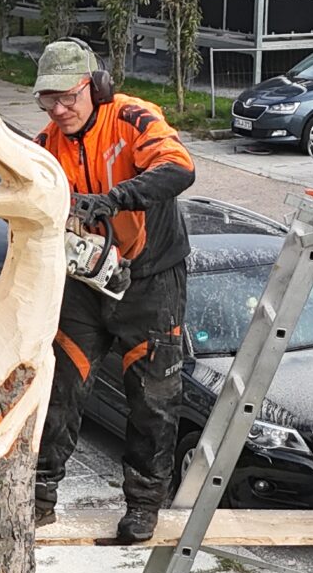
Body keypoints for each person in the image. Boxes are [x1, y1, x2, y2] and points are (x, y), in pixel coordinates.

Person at [30, 39, 195, 543]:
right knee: (59, 385)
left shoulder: (131, 119)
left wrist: (115, 199)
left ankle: (144, 504)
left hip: (151, 279)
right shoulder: (46, 145)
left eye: (68, 97)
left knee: (152, 398)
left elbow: (180, 167)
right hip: (88, 280)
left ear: (95, 87)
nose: (59, 110)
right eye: (48, 100)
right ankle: (38, 495)